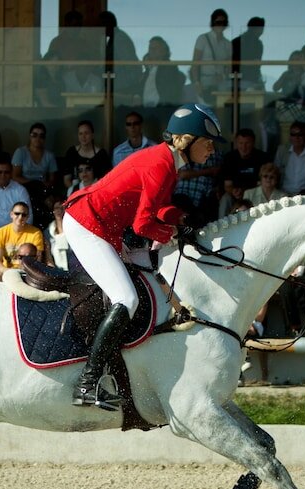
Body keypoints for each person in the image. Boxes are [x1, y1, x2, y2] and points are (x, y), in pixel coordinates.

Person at [62, 103, 223, 409]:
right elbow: (143, 224)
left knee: (148, 285)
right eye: (208, 143)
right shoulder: (161, 164)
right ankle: (87, 383)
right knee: (127, 299)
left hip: (104, 227)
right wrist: (172, 233)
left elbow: (158, 209)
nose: (212, 151)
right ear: (188, 140)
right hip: (87, 224)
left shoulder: (167, 162)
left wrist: (183, 219)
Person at [218, 128, 270, 217]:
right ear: (236, 143)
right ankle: (221, 228)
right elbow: (227, 185)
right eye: (241, 143)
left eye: (247, 143)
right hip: (234, 195)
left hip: (254, 193)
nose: (244, 147)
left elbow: (264, 183)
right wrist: (234, 191)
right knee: (225, 199)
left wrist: (245, 191)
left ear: (253, 143)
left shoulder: (262, 158)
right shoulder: (230, 158)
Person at [0, 201, 45, 282]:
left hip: (28, 272)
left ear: (28, 217)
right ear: (11, 214)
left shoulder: (36, 233)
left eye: (24, 215)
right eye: (17, 213)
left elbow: (38, 260)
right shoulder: (0, 232)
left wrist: (23, 272)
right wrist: (10, 272)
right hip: (7, 271)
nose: (20, 217)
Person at [190, 9, 231, 103]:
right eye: (218, 22)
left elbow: (229, 66)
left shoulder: (227, 44)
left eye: (223, 22)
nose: (220, 24)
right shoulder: (203, 39)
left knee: (221, 111)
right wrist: (196, 83)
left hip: (221, 83)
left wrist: (224, 76)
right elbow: (195, 63)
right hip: (204, 82)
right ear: (213, 22)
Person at [273, 121, 305, 196]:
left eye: (300, 134)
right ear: (290, 136)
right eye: (293, 134)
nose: (296, 138)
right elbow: (275, 172)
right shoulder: (282, 150)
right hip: (283, 193)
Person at [12, 123, 58, 202]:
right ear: (30, 136)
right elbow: (15, 176)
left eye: (41, 136)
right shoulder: (21, 152)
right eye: (34, 135)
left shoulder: (49, 156)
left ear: (44, 138)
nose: (38, 138)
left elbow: (52, 179)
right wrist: (34, 184)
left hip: (42, 189)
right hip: (24, 187)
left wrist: (44, 185)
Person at [62, 119, 111, 188]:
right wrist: (75, 192)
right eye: (80, 133)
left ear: (92, 135)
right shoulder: (72, 152)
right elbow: (66, 180)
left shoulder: (101, 154)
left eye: (86, 133)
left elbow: (106, 179)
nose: (83, 136)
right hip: (75, 193)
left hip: (96, 191)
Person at [139, 36, 185, 108]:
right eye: (150, 48)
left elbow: (171, 91)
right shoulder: (147, 72)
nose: (152, 50)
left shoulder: (170, 68)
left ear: (164, 51)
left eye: (156, 48)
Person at [231, 17, 265, 91]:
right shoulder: (237, 42)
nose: (262, 31)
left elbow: (257, 63)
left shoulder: (258, 44)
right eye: (261, 28)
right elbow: (234, 62)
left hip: (251, 78)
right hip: (241, 79)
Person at [45, 198, 74, 271]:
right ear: (53, 211)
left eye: (62, 208)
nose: (59, 210)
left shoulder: (74, 228)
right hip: (57, 271)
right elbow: (48, 256)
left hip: (75, 270)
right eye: (57, 208)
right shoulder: (48, 231)